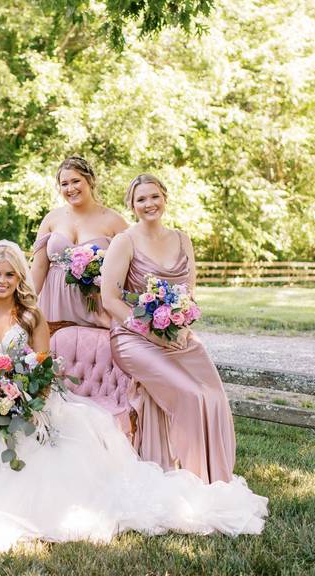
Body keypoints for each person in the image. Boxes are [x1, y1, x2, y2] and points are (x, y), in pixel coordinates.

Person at [0, 240, 267, 551]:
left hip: (28, 394)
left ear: (19, 279)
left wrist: (19, 395)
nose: (3, 281)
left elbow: (40, 368)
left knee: (42, 445)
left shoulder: (31, 315)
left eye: (10, 274)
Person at [101, 174, 236, 483]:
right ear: (132, 206)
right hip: (133, 338)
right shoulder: (125, 241)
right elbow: (109, 299)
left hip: (175, 336)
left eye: (154, 196)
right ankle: (193, 478)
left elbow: (188, 293)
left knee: (213, 394)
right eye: (141, 199)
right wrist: (148, 332)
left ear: (165, 198)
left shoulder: (181, 238)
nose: (149, 204)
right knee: (190, 394)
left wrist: (183, 327)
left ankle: (216, 476)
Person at [31, 157, 128, 327]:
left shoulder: (114, 220)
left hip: (96, 309)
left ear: (90, 181)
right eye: (64, 184)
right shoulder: (51, 219)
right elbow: (39, 267)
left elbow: (129, 270)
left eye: (76, 181)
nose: (70, 188)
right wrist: (24, 305)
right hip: (54, 305)